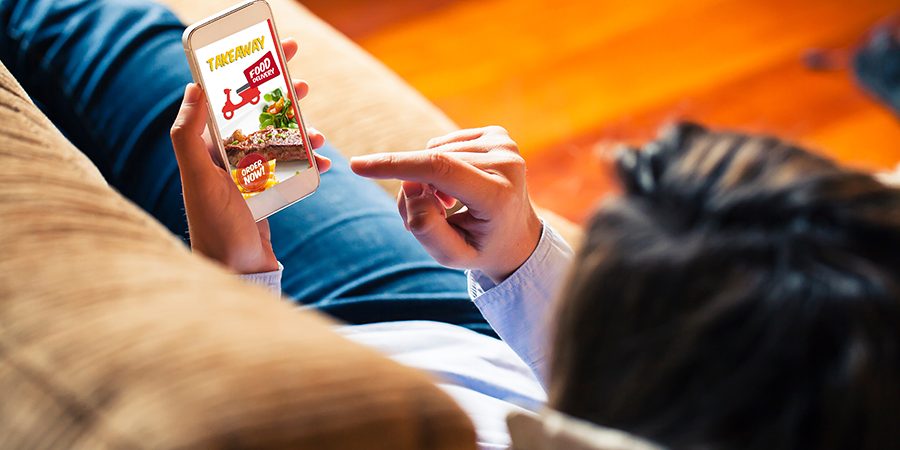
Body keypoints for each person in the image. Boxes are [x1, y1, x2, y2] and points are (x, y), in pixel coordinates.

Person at [3, 1, 899, 449]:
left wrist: (236, 273)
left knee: (84, 33)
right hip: (438, 316)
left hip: (314, 339)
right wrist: (519, 257)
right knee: (107, 31)